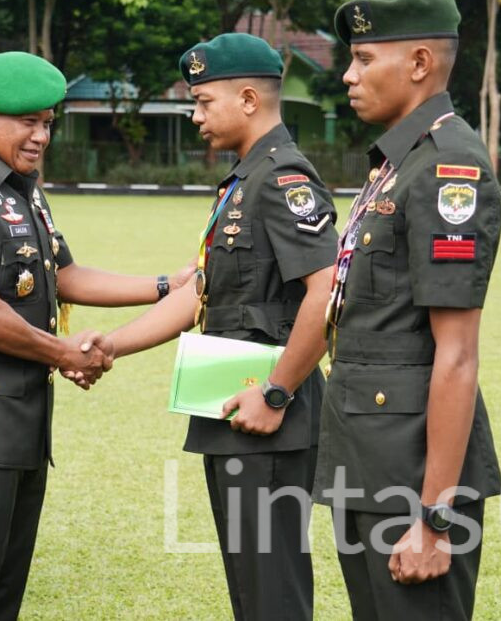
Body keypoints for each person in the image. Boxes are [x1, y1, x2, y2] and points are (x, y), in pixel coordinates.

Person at [0, 51, 192, 619]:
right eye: (28, 122)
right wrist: (64, 352)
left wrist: (165, 285)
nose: (41, 136)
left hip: (18, 409)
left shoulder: (19, 186)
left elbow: (63, 275)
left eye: (47, 122)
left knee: (2, 589)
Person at [104, 33, 338, 620]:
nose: (195, 116)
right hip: (235, 409)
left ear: (249, 99)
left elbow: (327, 292)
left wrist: (277, 392)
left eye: (204, 102)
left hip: (270, 416)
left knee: (272, 590)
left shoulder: (283, 178)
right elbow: (202, 291)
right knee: (251, 588)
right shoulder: (244, 179)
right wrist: (111, 345)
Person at [311, 0, 501, 621]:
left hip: (414, 477)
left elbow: (457, 353)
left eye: (365, 59)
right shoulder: (401, 161)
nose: (348, 75)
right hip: (369, 458)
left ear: (420, 63)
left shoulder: (449, 168)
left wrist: (435, 517)